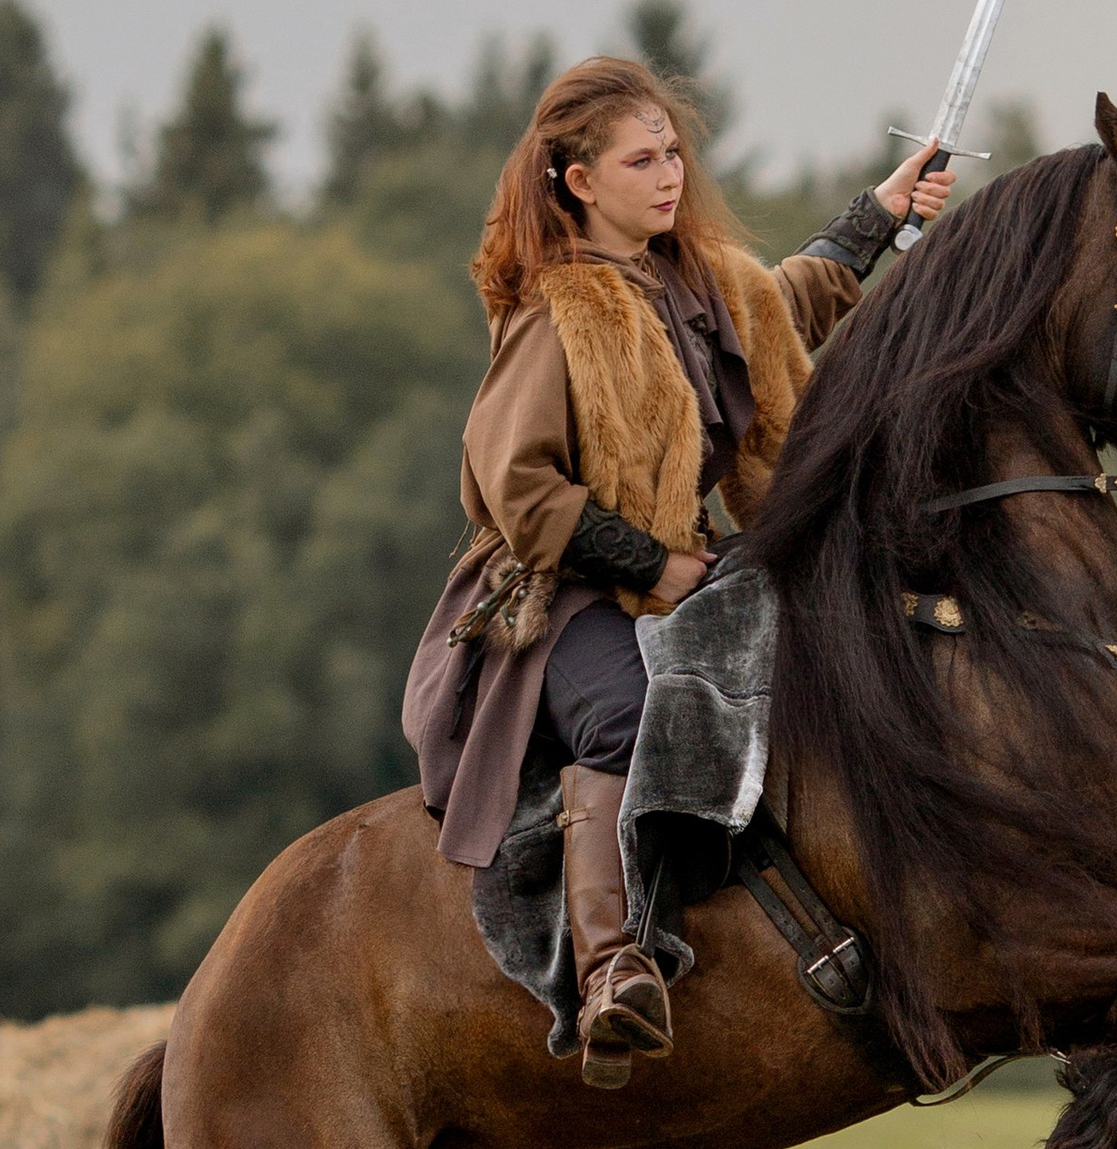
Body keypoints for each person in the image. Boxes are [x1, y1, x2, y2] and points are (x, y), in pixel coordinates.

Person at [402, 57, 953, 1084]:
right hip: (556, 592)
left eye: (671, 154)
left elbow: (782, 306)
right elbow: (517, 487)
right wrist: (652, 565)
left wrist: (878, 215)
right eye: (640, 160)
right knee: (632, 714)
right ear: (579, 181)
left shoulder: (700, 282)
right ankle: (614, 969)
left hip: (682, 568)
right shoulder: (553, 314)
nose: (668, 176)